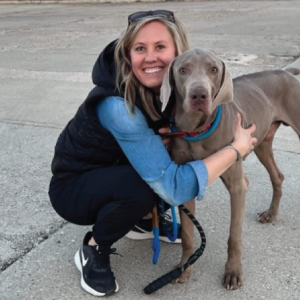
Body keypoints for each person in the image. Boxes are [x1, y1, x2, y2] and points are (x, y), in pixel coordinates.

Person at [48, 10, 257, 297]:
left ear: (176, 52)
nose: (150, 58)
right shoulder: (118, 107)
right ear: (127, 54)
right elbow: (175, 188)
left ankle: (140, 219)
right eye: (140, 49)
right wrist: (236, 149)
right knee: (150, 183)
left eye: (160, 47)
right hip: (73, 188)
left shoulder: (164, 88)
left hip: (112, 170)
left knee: (156, 165)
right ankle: (95, 247)